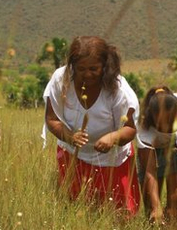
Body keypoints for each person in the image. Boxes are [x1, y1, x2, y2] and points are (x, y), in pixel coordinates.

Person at [43, 36, 141, 217]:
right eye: (81, 69)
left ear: (104, 66)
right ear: (72, 66)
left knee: (118, 216)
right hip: (73, 156)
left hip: (112, 161)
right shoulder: (60, 80)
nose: (87, 74)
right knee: (74, 211)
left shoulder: (118, 90)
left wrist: (112, 138)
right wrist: (70, 137)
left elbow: (130, 129)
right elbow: (52, 119)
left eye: (93, 69)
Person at [136, 86, 177, 223]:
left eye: (171, 120)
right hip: (152, 149)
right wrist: (156, 207)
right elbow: (150, 172)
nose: (167, 126)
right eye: (162, 123)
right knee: (150, 204)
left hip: (176, 146)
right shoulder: (143, 125)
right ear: (152, 118)